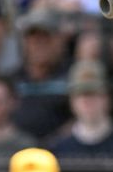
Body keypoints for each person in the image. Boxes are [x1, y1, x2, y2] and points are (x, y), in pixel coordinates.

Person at [51, 60, 113, 159]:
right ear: (72, 101)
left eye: (94, 93)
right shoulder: (60, 148)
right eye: (81, 94)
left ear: (107, 98)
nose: (87, 100)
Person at [10, 10, 72, 143]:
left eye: (46, 37)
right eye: (33, 37)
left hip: (63, 152)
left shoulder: (71, 75)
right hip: (17, 149)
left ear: (59, 40)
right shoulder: (13, 78)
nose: (39, 43)